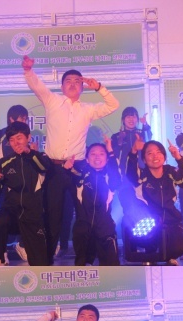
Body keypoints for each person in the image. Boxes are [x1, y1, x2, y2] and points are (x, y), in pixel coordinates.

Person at [22, 55, 120, 259]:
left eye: (77, 81)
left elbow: (113, 105)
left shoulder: (88, 109)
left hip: (78, 168)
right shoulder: (52, 101)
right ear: (62, 86)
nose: (73, 84)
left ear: (83, 87)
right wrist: (28, 70)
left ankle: (84, 259)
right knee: (53, 215)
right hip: (54, 168)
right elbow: (37, 86)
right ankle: (47, 259)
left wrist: (99, 87)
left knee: (85, 213)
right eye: (68, 81)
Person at [123, 137, 183, 262]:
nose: (155, 156)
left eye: (158, 152)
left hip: (171, 220)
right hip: (149, 222)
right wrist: (134, 151)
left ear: (164, 156)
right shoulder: (142, 175)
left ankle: (169, 259)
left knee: (179, 248)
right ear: (144, 159)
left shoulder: (171, 172)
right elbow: (130, 174)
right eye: (149, 153)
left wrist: (179, 158)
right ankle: (150, 258)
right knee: (151, 247)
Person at [0, 123, 48, 266]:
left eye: (19, 138)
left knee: (40, 263)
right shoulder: (5, 162)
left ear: (28, 137)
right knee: (0, 220)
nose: (16, 143)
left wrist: (29, 152)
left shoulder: (40, 157)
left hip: (33, 214)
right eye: (12, 140)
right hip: (12, 211)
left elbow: (44, 167)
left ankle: (27, 250)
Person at [69, 139, 121, 265]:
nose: (97, 157)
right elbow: (66, 176)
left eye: (101, 154)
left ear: (107, 159)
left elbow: (116, 174)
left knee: (112, 266)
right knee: (82, 266)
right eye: (93, 154)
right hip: (83, 227)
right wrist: (66, 168)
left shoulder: (110, 177)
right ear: (87, 159)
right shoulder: (79, 176)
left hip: (105, 226)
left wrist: (110, 150)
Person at [111, 107, 152, 173]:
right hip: (123, 171)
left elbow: (149, 137)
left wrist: (145, 124)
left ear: (137, 119)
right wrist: (120, 140)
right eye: (128, 117)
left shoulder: (141, 133)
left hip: (141, 170)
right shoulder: (116, 136)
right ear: (123, 120)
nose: (131, 119)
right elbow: (114, 154)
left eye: (134, 117)